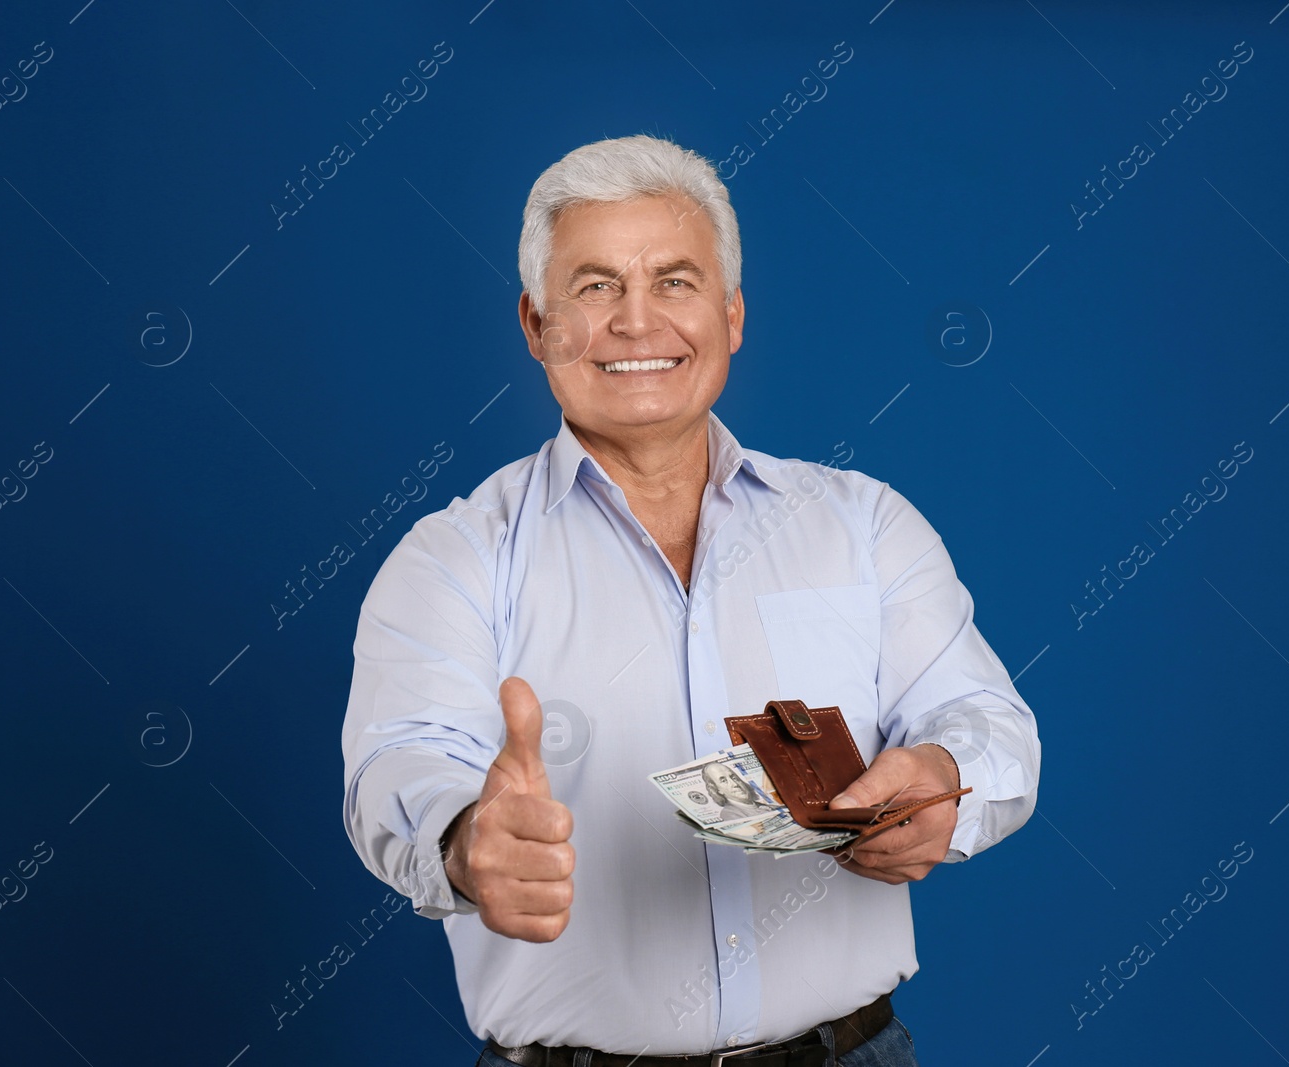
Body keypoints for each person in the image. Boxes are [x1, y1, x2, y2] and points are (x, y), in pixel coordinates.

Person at [341, 134, 1042, 1066]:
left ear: (732, 312)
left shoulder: (866, 523)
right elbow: (398, 764)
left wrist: (950, 780)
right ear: (535, 323)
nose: (638, 321)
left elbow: (991, 720)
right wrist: (469, 841)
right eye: (595, 287)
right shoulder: (451, 558)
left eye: (674, 281)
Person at [701, 760, 772, 823]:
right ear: (717, 790)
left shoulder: (765, 807)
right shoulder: (730, 814)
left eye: (733, 778)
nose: (734, 784)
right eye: (723, 781)